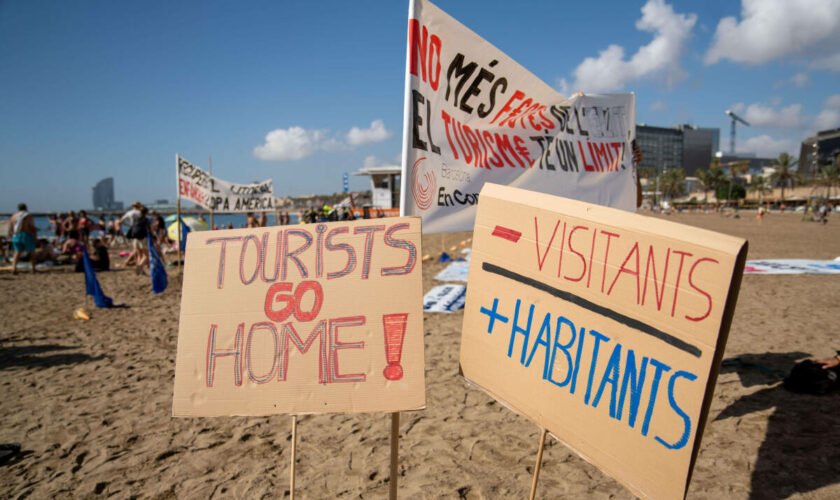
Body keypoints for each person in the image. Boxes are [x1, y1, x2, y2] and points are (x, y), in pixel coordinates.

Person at [10, 203, 37, 274]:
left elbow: (12, 227)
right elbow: (32, 227)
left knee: (17, 253)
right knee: (31, 252)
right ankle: (33, 269)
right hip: (26, 235)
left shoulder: (14, 216)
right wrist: (35, 237)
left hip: (17, 235)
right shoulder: (28, 215)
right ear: (26, 208)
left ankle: (14, 269)